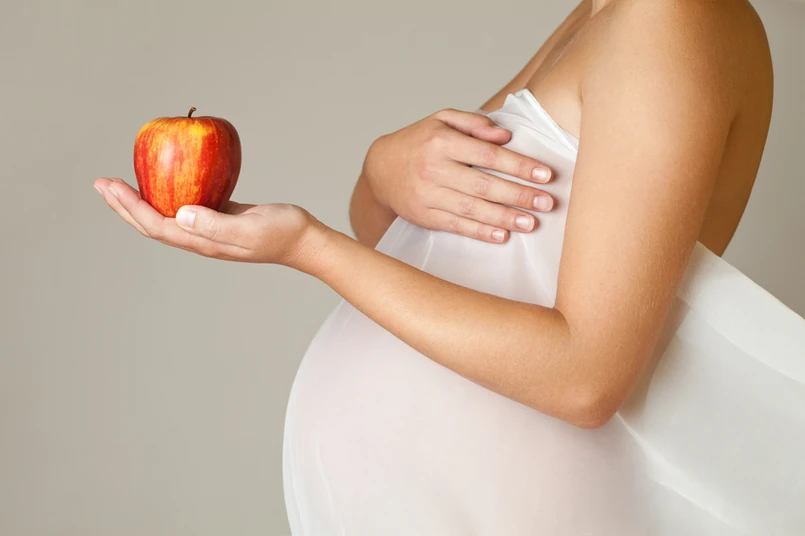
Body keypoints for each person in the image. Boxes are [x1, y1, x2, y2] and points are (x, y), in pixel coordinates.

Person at [94, 0, 805, 533]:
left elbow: (586, 376)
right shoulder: (599, 13)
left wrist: (307, 248)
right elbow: (419, 245)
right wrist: (379, 174)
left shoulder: (675, 16)